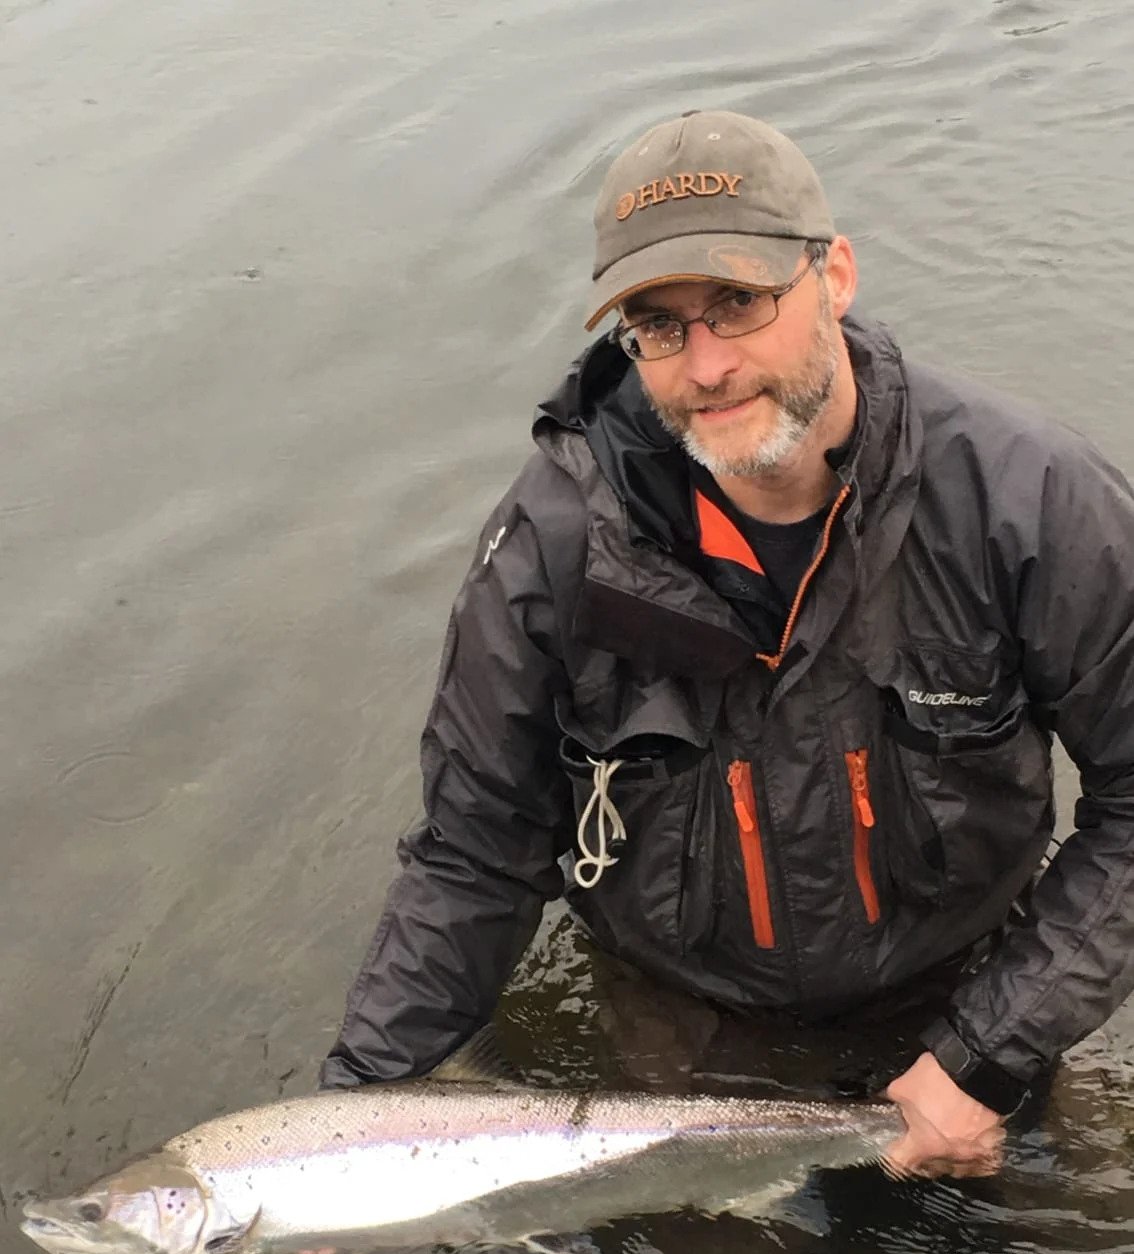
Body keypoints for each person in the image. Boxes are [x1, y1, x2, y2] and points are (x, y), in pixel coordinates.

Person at [318, 109, 1134, 1180]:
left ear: (833, 275)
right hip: (685, 1034)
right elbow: (476, 854)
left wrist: (988, 1050)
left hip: (966, 990)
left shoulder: (1025, 499)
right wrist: (351, 1123)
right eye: (660, 325)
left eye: (738, 303)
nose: (706, 364)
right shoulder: (553, 550)